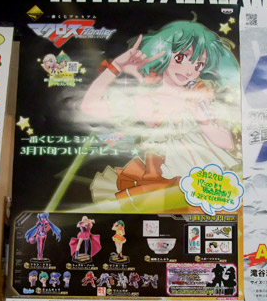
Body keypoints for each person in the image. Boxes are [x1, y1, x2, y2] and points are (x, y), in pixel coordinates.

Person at [81, 19, 240, 204]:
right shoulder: (148, 101)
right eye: (181, 58)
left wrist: (203, 120)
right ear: (162, 53)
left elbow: (226, 143)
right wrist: (116, 67)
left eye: (198, 65)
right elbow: (89, 106)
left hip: (211, 185)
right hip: (172, 185)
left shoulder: (202, 96)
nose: (190, 71)